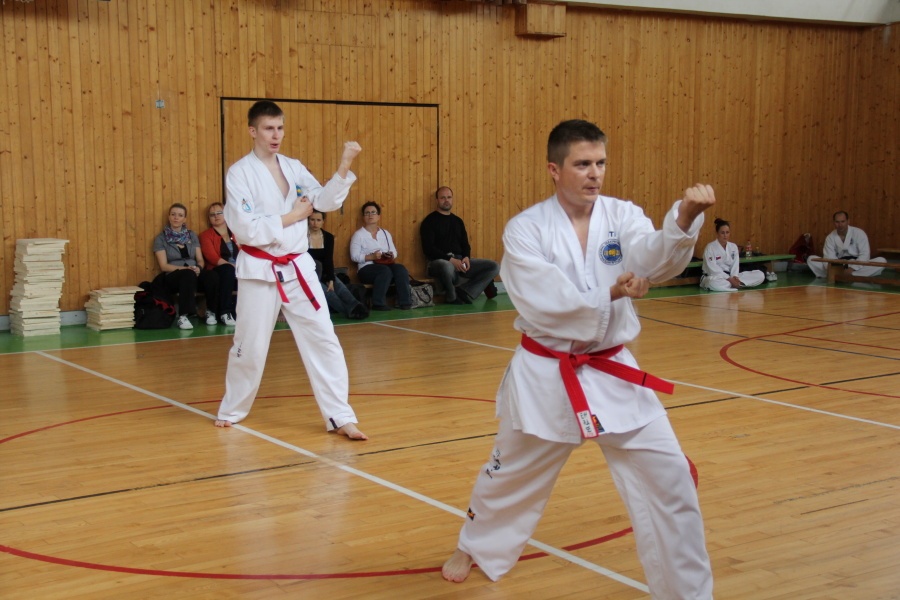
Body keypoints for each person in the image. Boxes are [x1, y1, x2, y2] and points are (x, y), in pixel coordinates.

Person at [442, 119, 715, 598]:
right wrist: (613, 291)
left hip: (613, 371)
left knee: (671, 477)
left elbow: (655, 259)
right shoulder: (526, 229)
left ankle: (688, 593)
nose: (595, 174)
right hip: (546, 373)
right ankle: (475, 545)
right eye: (583, 164)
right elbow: (543, 301)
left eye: (601, 163)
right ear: (555, 169)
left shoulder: (621, 215)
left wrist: (684, 219)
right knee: (510, 474)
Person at [214, 100, 366, 440]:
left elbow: (323, 202)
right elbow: (246, 229)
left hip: (297, 266)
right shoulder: (240, 173)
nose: (276, 135)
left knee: (324, 338)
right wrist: (293, 216)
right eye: (268, 128)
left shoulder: (293, 167)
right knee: (250, 346)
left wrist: (344, 166)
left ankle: (340, 415)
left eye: (280, 128)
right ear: (253, 131)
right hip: (260, 269)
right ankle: (232, 409)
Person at [420, 186, 500, 304]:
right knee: (446, 265)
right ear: (437, 200)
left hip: (460, 261)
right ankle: (451, 296)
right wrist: (451, 260)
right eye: (442, 198)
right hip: (439, 262)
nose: (446, 200)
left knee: (494, 266)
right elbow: (428, 249)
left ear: (452, 199)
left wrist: (466, 257)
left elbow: (465, 244)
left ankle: (465, 291)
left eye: (449, 197)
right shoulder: (429, 221)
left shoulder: (457, 221)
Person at [153, 203, 219, 330]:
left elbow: (200, 259)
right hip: (173, 276)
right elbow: (164, 266)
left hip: (193, 272)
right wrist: (186, 269)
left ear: (184, 219)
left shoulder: (192, 235)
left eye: (180, 215)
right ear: (169, 217)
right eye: (173, 214)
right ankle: (183, 316)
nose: (176, 218)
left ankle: (211, 311)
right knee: (187, 274)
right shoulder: (160, 238)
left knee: (212, 275)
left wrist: (198, 268)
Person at [349, 201, 413, 310]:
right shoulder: (358, 235)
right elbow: (354, 256)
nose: (370, 215)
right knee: (384, 271)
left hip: (385, 265)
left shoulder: (385, 233)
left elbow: (394, 251)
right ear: (363, 217)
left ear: (378, 216)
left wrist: (390, 255)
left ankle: (405, 302)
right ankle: (378, 303)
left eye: (373, 212)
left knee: (400, 269)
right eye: (367, 213)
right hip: (366, 269)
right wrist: (371, 257)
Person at [308, 209, 368, 320]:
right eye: (312, 220)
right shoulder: (302, 237)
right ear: (308, 220)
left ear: (323, 221)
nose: (315, 223)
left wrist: (331, 279)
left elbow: (328, 260)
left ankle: (357, 307)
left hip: (324, 272)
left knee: (339, 286)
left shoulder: (328, 237)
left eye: (318, 220)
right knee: (328, 292)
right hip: (308, 275)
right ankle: (347, 311)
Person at [806, 211, 886, 278]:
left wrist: (852, 268)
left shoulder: (859, 233)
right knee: (811, 259)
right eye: (837, 222)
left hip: (857, 264)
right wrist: (835, 269)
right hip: (839, 265)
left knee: (882, 261)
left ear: (848, 221)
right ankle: (842, 275)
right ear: (834, 222)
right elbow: (829, 257)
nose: (840, 225)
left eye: (843, 221)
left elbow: (865, 255)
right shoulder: (830, 237)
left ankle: (843, 276)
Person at [199, 202, 239, 325]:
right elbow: (212, 257)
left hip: (238, 270)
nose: (216, 216)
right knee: (228, 270)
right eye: (212, 215)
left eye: (219, 213)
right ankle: (225, 312)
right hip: (218, 270)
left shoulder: (236, 233)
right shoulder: (205, 235)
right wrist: (233, 266)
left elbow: (245, 252)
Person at [699, 217, 765, 291]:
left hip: (731, 276)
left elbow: (735, 265)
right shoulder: (710, 247)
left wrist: (734, 277)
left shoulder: (733, 246)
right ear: (717, 233)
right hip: (715, 277)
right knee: (713, 283)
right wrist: (729, 279)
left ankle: (734, 284)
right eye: (722, 233)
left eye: (727, 232)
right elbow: (713, 269)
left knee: (760, 274)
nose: (725, 235)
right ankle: (736, 285)